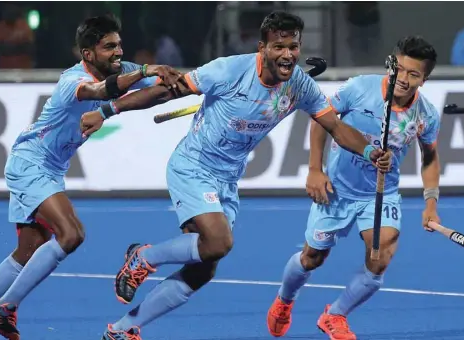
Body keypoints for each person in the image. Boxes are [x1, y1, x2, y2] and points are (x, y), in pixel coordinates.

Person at [79, 11, 393, 340]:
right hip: (194, 165)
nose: (287, 54)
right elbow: (165, 91)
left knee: (203, 268)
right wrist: (107, 110)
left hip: (228, 179)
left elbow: (337, 127)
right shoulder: (228, 70)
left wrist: (370, 151)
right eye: (278, 46)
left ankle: (122, 330)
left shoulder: (299, 85)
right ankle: (143, 257)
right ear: (262, 48)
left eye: (293, 47)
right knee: (218, 242)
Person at [0, 15, 181, 340]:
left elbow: (160, 89)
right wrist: (146, 69)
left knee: (29, 250)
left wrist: (195, 87)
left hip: (50, 170)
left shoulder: (120, 69)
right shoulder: (72, 80)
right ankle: (5, 308)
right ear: (88, 54)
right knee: (71, 235)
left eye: (119, 45)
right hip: (30, 164)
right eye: (109, 47)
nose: (118, 52)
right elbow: (101, 90)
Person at [266, 36, 441, 340]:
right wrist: (315, 170)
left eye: (414, 74)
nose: (404, 78)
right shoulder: (360, 88)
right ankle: (284, 300)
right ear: (392, 64)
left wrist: (430, 203)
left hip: (380, 193)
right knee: (313, 257)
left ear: (424, 79)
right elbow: (322, 120)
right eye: (400, 69)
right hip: (337, 189)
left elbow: (430, 159)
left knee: (381, 255)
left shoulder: (426, 115)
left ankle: (334, 315)